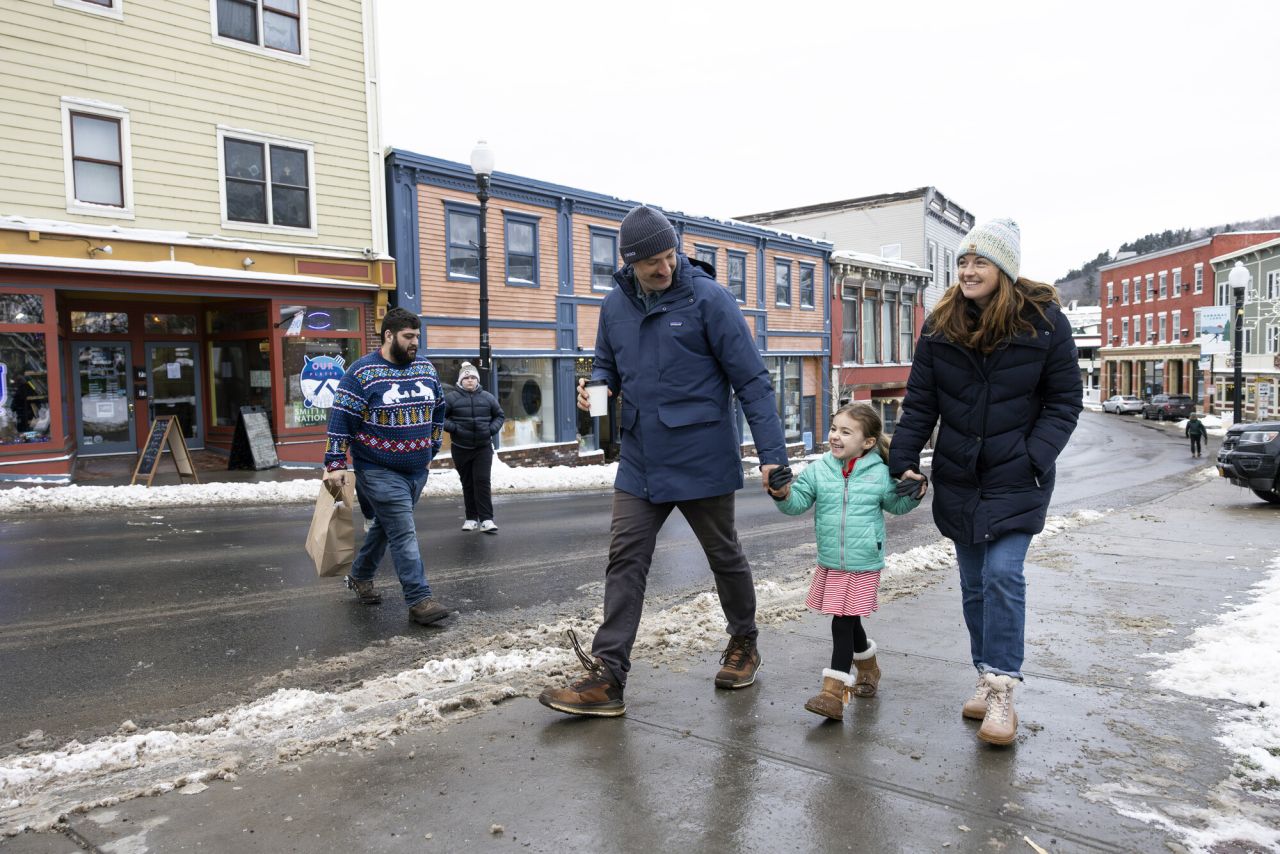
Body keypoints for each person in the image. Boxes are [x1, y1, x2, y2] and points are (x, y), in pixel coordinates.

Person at [538, 204, 789, 717]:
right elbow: (606, 366)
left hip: (702, 457)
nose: (665, 268)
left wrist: (772, 456)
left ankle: (744, 642)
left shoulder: (710, 299)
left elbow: (752, 382)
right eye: (652, 261)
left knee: (724, 556)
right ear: (630, 262)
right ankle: (608, 678)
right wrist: (595, 396)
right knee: (625, 560)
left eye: (670, 255)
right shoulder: (614, 306)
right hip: (641, 460)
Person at [888, 218, 1082, 747]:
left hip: (1019, 475)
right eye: (964, 261)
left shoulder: (1044, 324)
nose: (969, 270)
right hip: (960, 475)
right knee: (974, 585)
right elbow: (921, 401)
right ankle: (985, 671)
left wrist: (1033, 456)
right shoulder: (940, 325)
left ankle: (1002, 690)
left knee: (1002, 575)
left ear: (1005, 270)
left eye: (981, 262)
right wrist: (903, 458)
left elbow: (1065, 402)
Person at [767, 403, 921, 721]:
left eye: (845, 432)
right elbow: (796, 504)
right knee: (850, 620)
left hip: (864, 561)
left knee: (842, 620)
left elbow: (897, 504)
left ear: (867, 441)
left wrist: (915, 491)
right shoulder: (820, 469)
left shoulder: (880, 471)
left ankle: (833, 693)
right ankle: (869, 670)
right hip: (832, 561)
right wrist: (781, 493)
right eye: (834, 429)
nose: (835, 436)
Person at [322, 307, 450, 626]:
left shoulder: (425, 369)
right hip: (377, 470)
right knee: (403, 531)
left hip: (417, 470)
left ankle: (360, 575)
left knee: (385, 527)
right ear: (389, 336)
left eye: (417, 337)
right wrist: (335, 462)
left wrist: (432, 445)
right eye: (408, 337)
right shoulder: (362, 373)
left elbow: (439, 409)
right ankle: (419, 600)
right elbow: (341, 420)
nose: (414, 343)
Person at [443, 361, 504, 533]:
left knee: (482, 482)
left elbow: (499, 415)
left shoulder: (488, 397)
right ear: (461, 380)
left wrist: (491, 430)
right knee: (468, 483)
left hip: (483, 448)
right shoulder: (451, 398)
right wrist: (455, 428)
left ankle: (487, 519)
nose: (470, 380)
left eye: (473, 378)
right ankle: (471, 518)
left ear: (477, 380)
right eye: (466, 377)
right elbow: (439, 417)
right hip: (461, 447)